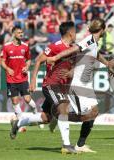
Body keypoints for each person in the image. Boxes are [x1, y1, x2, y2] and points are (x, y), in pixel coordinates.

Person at [9, 22, 97, 154]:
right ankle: (66, 145)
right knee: (63, 109)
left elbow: (75, 67)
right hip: (51, 84)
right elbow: (39, 60)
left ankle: (19, 123)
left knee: (46, 118)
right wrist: (32, 80)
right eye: (75, 32)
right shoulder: (55, 47)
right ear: (70, 33)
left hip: (63, 88)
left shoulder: (73, 48)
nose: (76, 35)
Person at [47, 18, 114, 153]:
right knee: (86, 116)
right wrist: (55, 58)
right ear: (101, 30)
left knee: (94, 112)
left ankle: (80, 145)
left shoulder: (94, 42)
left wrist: (108, 64)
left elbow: (96, 54)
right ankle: (60, 116)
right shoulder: (88, 40)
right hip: (78, 85)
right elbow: (73, 49)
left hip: (87, 84)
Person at [0, 26, 38, 120]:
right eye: (19, 32)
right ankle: (20, 122)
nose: (21, 34)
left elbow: (29, 59)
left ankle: (35, 112)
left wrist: (27, 66)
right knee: (14, 100)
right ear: (13, 34)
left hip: (22, 77)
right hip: (11, 79)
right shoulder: (6, 46)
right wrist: (8, 69)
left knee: (27, 99)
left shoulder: (25, 46)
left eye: (22, 32)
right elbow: (2, 62)